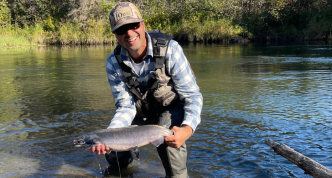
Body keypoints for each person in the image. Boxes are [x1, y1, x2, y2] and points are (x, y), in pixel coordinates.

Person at [91, 2, 203, 177]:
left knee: (171, 150)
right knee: (113, 150)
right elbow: (125, 106)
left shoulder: (171, 50)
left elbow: (192, 96)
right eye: (121, 30)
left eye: (133, 25)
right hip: (138, 112)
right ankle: (124, 170)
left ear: (143, 25)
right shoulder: (114, 62)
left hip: (169, 111)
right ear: (115, 35)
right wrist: (109, 136)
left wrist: (187, 129)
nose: (129, 33)